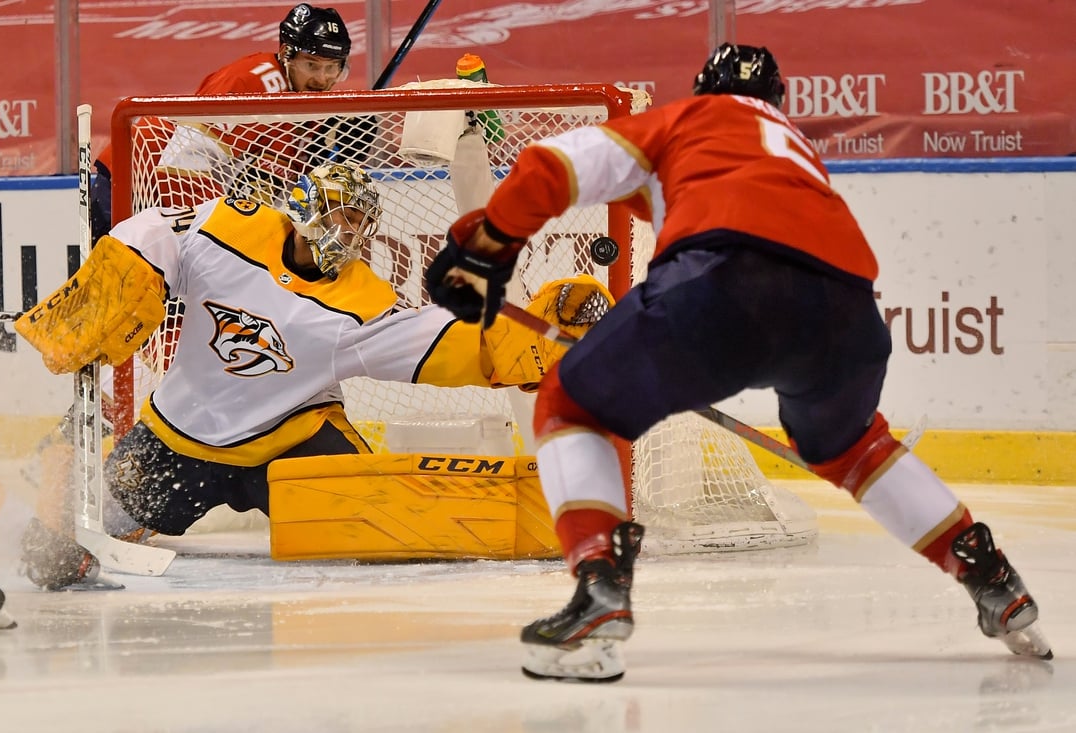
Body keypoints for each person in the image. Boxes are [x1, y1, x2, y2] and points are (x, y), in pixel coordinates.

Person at [424, 43, 1052, 682]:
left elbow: (553, 166)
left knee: (569, 405)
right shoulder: (792, 150)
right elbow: (690, 200)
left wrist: (485, 244)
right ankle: (993, 579)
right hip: (848, 314)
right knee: (856, 450)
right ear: (777, 103)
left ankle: (599, 591)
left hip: (723, 284)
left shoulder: (687, 121)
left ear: (702, 93)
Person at [15, 162, 608, 590]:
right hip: (181, 437)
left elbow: (451, 345)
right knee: (67, 539)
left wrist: (539, 337)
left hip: (293, 442)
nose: (348, 234)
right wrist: (127, 268)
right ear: (303, 208)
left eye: (359, 225)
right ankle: (83, 523)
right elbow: (156, 229)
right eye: (340, 216)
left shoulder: (361, 305)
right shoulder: (233, 228)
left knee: (379, 525)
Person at [90, 3, 373, 242]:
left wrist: (326, 165)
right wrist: (223, 235)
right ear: (286, 54)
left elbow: (267, 190)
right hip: (135, 180)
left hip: (172, 195)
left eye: (332, 68)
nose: (322, 79)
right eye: (312, 65)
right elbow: (183, 164)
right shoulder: (251, 83)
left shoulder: (309, 108)